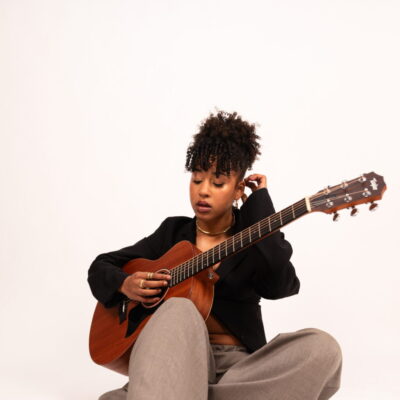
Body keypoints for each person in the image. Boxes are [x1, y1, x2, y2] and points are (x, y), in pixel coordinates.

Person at [87, 111, 342, 400]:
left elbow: (282, 286)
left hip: (240, 370)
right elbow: (101, 266)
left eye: (218, 183)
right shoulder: (173, 233)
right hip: (174, 359)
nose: (203, 191)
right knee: (179, 309)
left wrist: (261, 207)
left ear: (237, 189)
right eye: (197, 180)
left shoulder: (254, 236)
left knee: (323, 349)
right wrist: (125, 284)